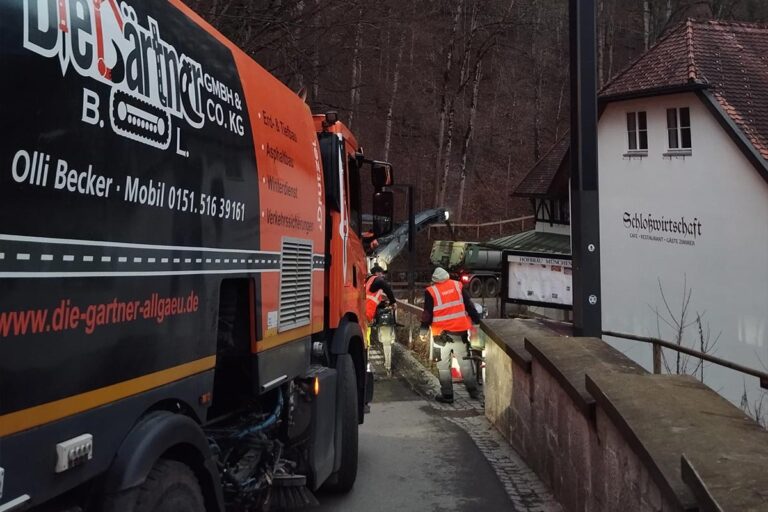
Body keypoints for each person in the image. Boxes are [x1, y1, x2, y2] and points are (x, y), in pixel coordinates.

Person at [419, 267, 481, 403]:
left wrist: (423, 330)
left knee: (443, 366)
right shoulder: (457, 286)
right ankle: (474, 392)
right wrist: (477, 320)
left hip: (440, 336)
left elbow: (427, 313)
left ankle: (447, 395)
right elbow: (469, 306)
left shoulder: (431, 291)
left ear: (434, 280)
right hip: (460, 332)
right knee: (465, 363)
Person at [365, 265, 397, 375]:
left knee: (366, 340)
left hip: (366, 314)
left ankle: (365, 363)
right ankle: (384, 367)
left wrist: (383, 303)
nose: (383, 276)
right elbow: (385, 286)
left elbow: (372, 298)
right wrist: (393, 301)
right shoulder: (376, 280)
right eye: (382, 273)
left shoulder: (368, 281)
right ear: (377, 273)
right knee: (366, 341)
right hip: (367, 314)